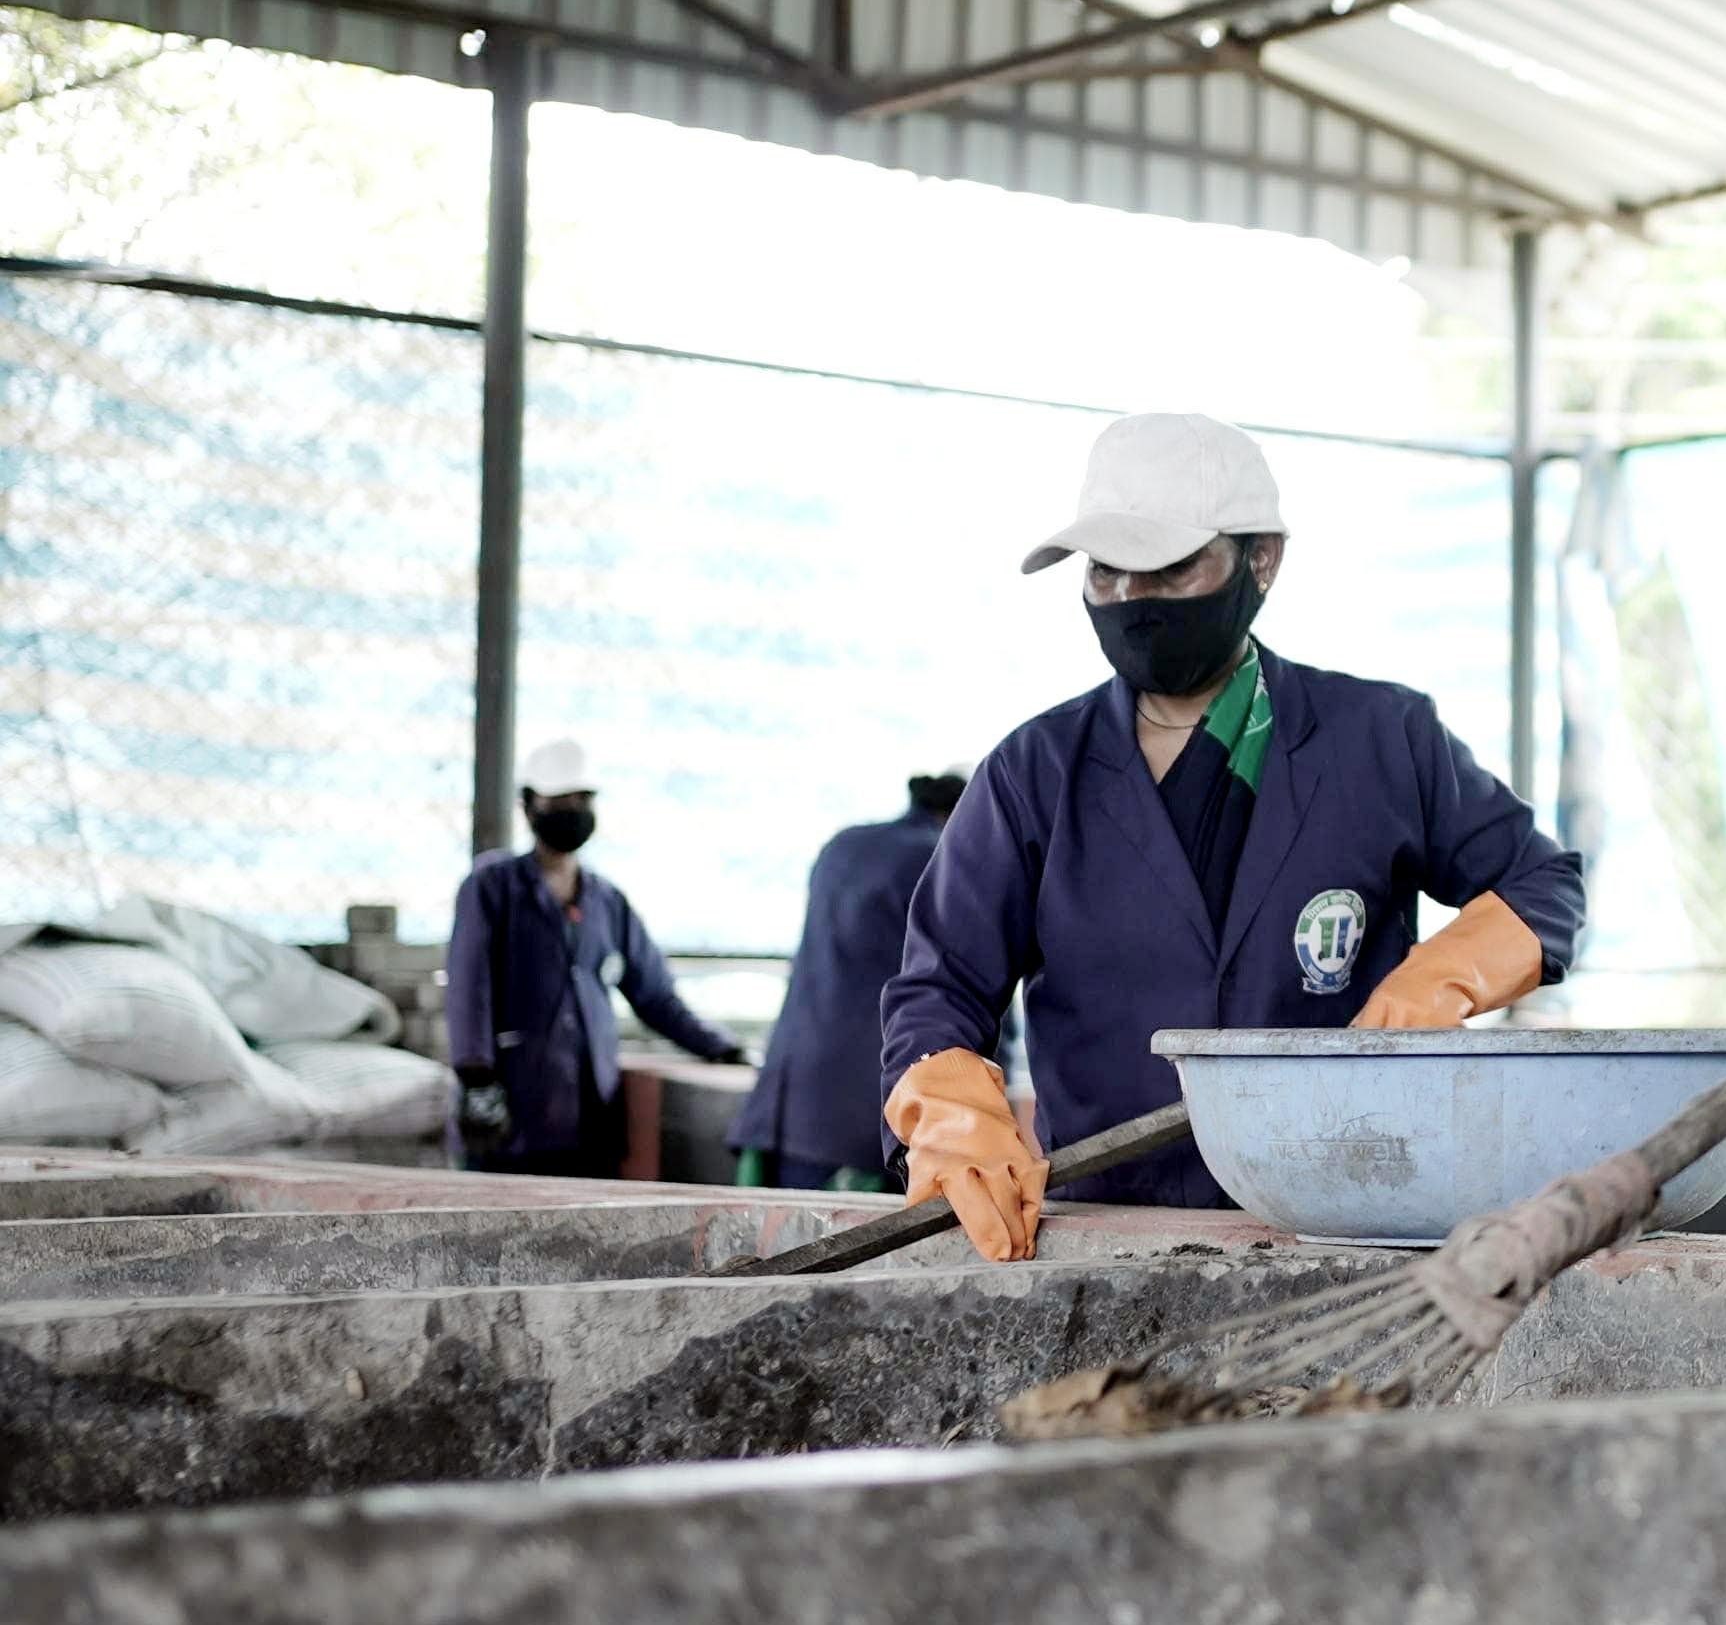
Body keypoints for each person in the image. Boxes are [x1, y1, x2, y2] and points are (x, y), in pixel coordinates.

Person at [881, 412, 1587, 1257]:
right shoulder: (1035, 774)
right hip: (1105, 1229)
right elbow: (939, 984)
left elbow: (1544, 887)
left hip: (1343, 1222)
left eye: (1171, 570)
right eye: (1107, 575)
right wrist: (951, 1114)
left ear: (1262, 560)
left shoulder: (1381, 738)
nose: (1133, 602)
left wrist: (1437, 982)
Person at [447, 737, 750, 1178]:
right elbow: (468, 986)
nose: (574, 808)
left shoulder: (606, 902)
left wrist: (721, 1045)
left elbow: (655, 995)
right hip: (515, 1109)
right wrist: (476, 1079)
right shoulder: (492, 887)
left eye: (583, 799)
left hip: (590, 1116)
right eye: (561, 799)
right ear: (530, 805)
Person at [730, 767, 973, 1192]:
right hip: (864, 1122)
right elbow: (967, 989)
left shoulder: (844, 844)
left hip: (785, 1102)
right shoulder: (944, 860)